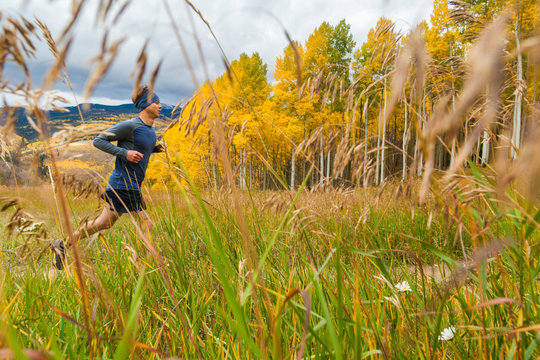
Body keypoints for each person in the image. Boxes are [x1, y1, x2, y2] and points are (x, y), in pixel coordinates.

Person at [52, 85, 165, 270]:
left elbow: (139, 148)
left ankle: (62, 244)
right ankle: (146, 266)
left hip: (128, 184)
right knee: (147, 225)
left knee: (104, 223)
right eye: (157, 102)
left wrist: (154, 149)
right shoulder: (130, 125)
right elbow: (98, 140)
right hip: (124, 184)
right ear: (146, 105)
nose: (160, 106)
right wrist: (124, 153)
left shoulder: (150, 129)